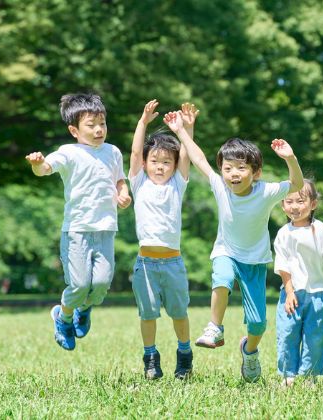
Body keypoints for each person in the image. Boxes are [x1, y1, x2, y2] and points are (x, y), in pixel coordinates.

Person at [164, 111, 304, 382]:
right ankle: (214, 327)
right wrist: (181, 130)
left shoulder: (266, 191)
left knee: (258, 323)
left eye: (240, 168)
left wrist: (290, 158)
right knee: (222, 278)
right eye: (227, 168)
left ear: (255, 172)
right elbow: (198, 158)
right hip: (226, 251)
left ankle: (249, 351)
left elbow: (297, 183)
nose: (233, 174)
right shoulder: (220, 186)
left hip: (255, 260)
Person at [25, 93, 131, 351]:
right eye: (91, 124)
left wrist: (123, 191)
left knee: (102, 284)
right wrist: (37, 164)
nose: (99, 130)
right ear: (74, 130)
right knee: (80, 283)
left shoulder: (113, 152)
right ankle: (64, 317)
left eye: (102, 123)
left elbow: (119, 179)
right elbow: (46, 168)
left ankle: (83, 309)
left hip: (106, 228)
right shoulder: (69, 152)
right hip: (76, 231)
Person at [129, 100, 198, 380]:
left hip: (172, 263)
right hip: (145, 264)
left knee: (179, 313)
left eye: (166, 162)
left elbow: (186, 156)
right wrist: (143, 122)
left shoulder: (177, 185)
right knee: (148, 315)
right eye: (155, 162)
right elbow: (134, 151)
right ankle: (150, 357)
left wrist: (187, 129)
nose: (160, 167)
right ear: (145, 164)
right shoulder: (139, 183)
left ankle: (184, 353)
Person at [273, 179, 323, 386]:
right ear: (282, 205)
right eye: (289, 202)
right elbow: (283, 266)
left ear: (313, 204)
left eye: (300, 201)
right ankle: (288, 375)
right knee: (287, 333)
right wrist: (289, 292)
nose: (294, 207)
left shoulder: (321, 230)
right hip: (291, 294)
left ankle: (309, 376)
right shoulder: (283, 234)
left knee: (316, 336)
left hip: (319, 293)